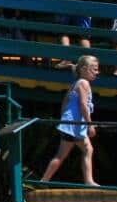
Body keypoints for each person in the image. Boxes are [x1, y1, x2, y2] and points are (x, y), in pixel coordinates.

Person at [40, 55, 100, 186]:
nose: (97, 72)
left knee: (83, 150)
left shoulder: (75, 83)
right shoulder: (83, 83)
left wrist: (64, 119)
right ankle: (88, 181)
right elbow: (83, 105)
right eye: (94, 69)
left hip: (71, 124)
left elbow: (65, 101)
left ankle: (44, 180)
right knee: (78, 152)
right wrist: (90, 125)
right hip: (75, 125)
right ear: (84, 69)